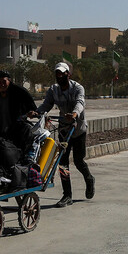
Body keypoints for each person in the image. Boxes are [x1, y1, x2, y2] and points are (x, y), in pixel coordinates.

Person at [29, 62, 95, 207]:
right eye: (57, 74)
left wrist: (75, 114)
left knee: (78, 161)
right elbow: (47, 105)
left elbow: (80, 102)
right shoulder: (54, 90)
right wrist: (37, 112)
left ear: (68, 74)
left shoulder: (78, 88)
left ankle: (89, 179)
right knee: (63, 162)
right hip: (64, 130)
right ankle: (67, 195)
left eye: (62, 73)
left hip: (78, 129)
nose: (59, 76)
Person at [0, 70, 36, 144]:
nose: (2, 84)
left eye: (4, 81)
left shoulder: (20, 92)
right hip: (0, 131)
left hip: (17, 132)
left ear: (9, 81)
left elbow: (33, 108)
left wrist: (31, 113)